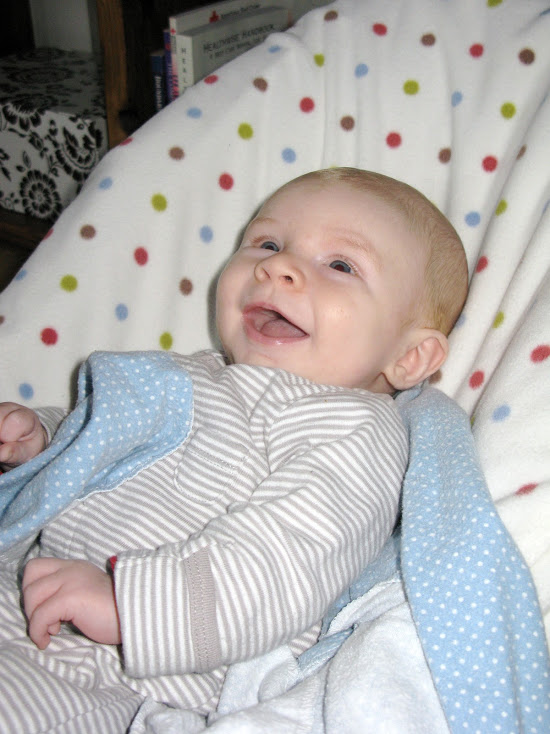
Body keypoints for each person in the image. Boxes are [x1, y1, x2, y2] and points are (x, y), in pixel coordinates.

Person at [0, 167, 468, 732]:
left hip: (115, 672)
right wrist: (43, 442)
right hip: (24, 588)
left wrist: (130, 606)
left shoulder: (355, 429)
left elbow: (284, 561)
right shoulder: (196, 374)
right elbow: (109, 439)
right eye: (266, 244)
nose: (277, 267)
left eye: (341, 265)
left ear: (410, 358)